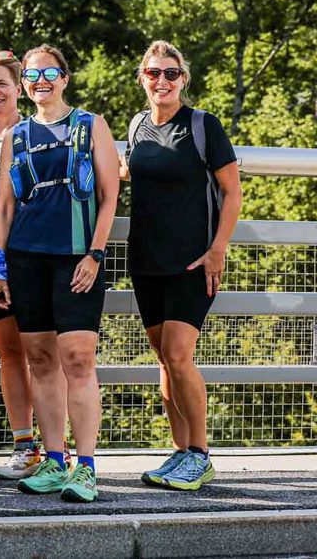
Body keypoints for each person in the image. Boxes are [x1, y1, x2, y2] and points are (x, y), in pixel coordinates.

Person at [0, 44, 120, 503]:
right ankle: (53, 458)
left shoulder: (90, 125)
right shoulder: (16, 136)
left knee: (79, 359)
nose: (40, 81)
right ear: (24, 84)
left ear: (65, 78)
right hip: (26, 259)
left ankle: (86, 468)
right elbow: (4, 205)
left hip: (76, 257)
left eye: (49, 73)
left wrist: (95, 254)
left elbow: (108, 196)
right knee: (40, 361)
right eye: (31, 75)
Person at [123, 41, 241, 491]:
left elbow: (231, 191)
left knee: (178, 354)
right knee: (163, 360)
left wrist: (219, 248)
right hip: (146, 259)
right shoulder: (136, 127)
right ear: (142, 78)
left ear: (183, 79)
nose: (162, 81)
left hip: (194, 261)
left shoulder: (202, 125)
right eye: (153, 73)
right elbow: (129, 174)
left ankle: (201, 453)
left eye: (171, 74)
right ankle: (180, 451)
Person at [0, 50, 46, 481]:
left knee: (47, 354)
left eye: (2, 83)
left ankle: (59, 446)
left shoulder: (38, 132)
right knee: (10, 352)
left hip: (39, 255)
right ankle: (24, 444)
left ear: (19, 88)